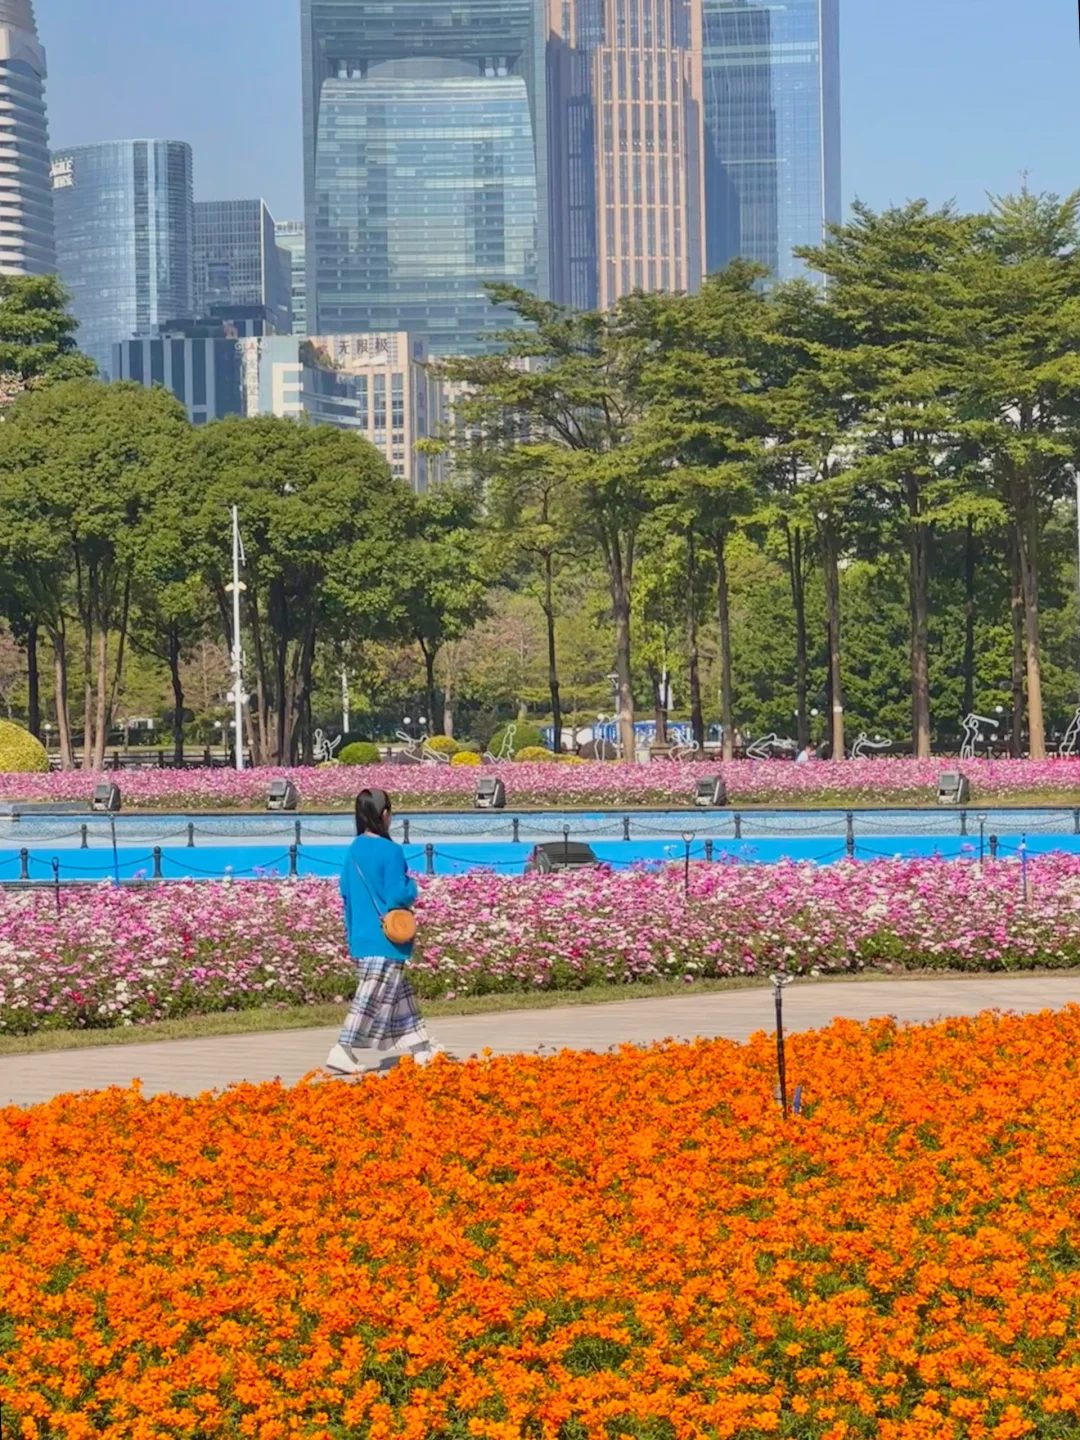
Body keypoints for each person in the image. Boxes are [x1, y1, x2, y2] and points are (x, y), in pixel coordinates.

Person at [325, 788, 442, 1076]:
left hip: (362, 934)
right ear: (384, 814)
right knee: (371, 995)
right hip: (386, 937)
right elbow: (397, 895)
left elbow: (345, 891)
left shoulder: (354, 849)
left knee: (399, 994)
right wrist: (413, 887)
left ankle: (420, 1048)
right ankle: (342, 1048)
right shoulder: (391, 851)